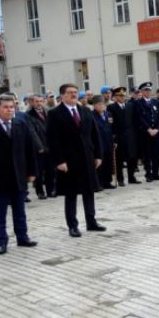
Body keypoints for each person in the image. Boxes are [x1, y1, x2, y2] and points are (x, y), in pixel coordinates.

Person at [0, 95, 38, 255]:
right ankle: (1, 241)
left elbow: (29, 150)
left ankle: (22, 237)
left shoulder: (21, 124)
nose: (10, 110)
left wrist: (32, 172)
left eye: (12, 107)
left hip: (19, 176)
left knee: (20, 210)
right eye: (5, 107)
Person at [46, 83, 105, 238]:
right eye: (70, 92)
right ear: (62, 95)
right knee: (70, 194)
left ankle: (91, 222)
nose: (73, 95)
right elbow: (52, 140)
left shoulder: (85, 111)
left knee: (89, 191)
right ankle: (73, 225)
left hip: (87, 158)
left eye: (75, 92)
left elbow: (94, 134)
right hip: (68, 161)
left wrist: (98, 155)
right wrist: (59, 161)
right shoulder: (54, 114)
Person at [26, 93, 56, 199]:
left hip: (50, 145)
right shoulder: (28, 115)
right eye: (36, 101)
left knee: (50, 170)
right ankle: (40, 191)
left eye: (41, 101)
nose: (39, 103)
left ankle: (50, 190)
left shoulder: (49, 112)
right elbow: (31, 131)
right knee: (38, 170)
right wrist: (40, 147)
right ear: (32, 102)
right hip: (38, 147)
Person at [107, 87, 139, 186]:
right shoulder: (111, 107)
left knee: (132, 158)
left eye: (124, 95)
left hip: (130, 135)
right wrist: (114, 136)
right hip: (119, 135)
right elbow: (111, 123)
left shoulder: (130, 106)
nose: (123, 97)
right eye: (120, 96)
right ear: (115, 97)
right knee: (119, 159)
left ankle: (131, 177)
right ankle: (120, 179)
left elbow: (134, 120)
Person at [134, 82, 159, 182]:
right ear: (142, 91)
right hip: (145, 132)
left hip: (156, 132)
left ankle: (156, 173)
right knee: (147, 154)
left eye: (149, 90)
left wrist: (157, 129)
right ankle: (148, 174)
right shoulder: (138, 103)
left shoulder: (155, 102)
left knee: (157, 153)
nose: (148, 92)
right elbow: (139, 118)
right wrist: (149, 129)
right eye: (146, 90)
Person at [91, 96, 115, 189]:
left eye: (103, 104)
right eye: (99, 104)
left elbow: (112, 128)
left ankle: (107, 182)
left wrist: (114, 140)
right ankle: (99, 183)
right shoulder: (92, 115)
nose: (102, 106)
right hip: (98, 144)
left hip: (108, 142)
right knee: (100, 164)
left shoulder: (108, 114)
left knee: (108, 163)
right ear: (95, 105)